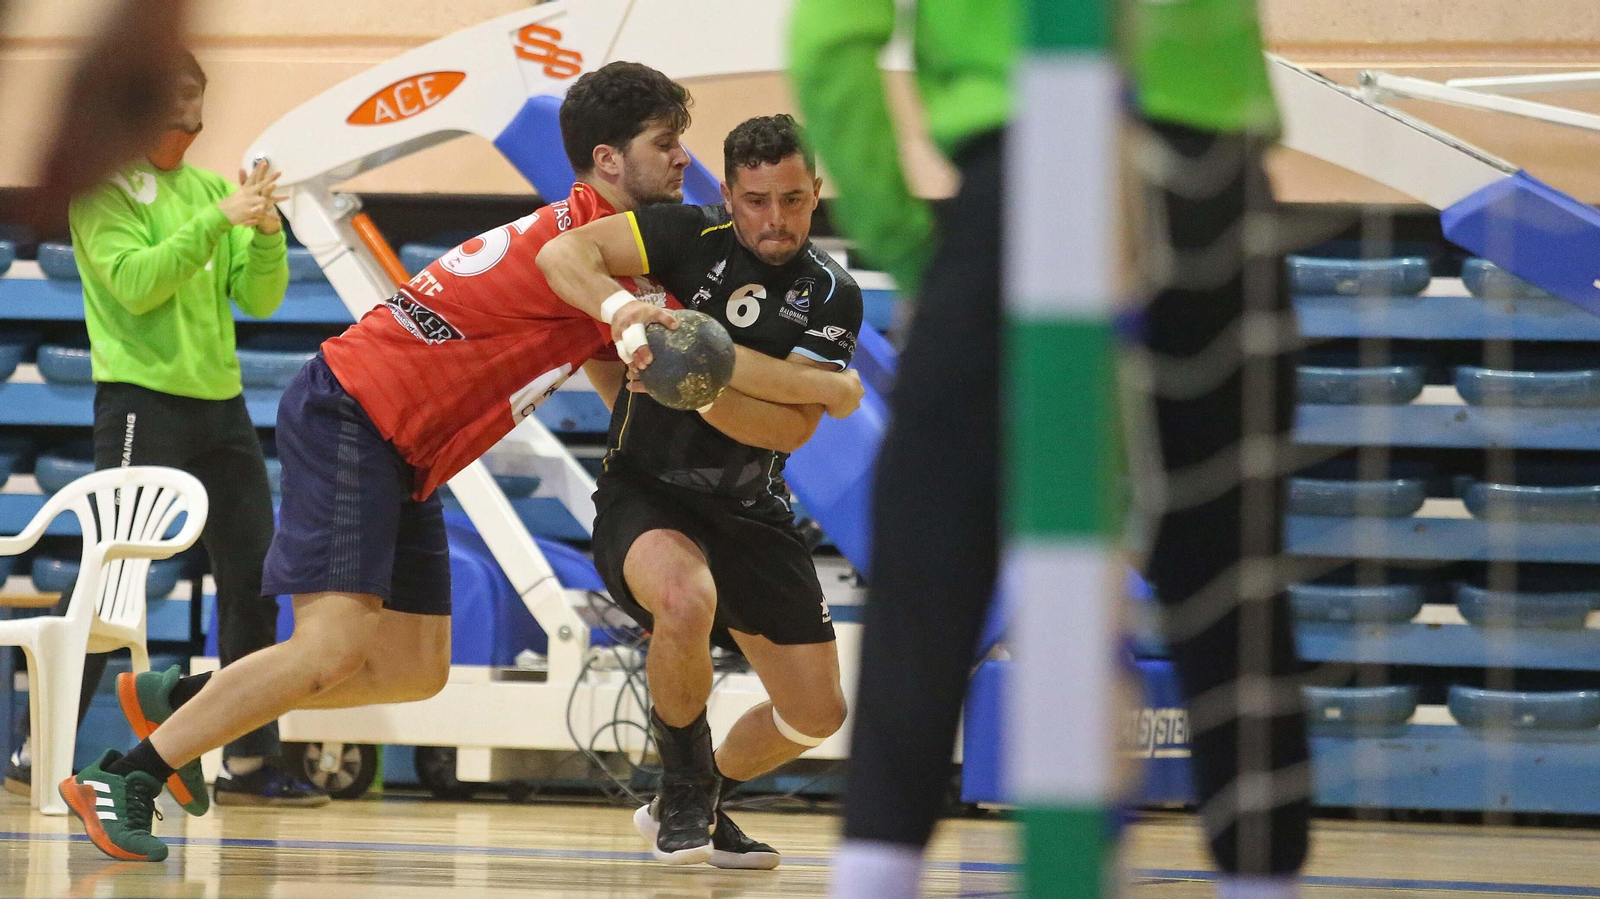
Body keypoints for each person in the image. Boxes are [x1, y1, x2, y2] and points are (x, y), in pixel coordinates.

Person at [59, 60, 860, 864]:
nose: (683, 159)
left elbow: (635, 370)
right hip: (357, 407)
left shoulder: (607, 245)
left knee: (416, 669)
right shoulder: (589, 254)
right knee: (331, 646)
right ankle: (128, 775)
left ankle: (194, 699)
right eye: (666, 143)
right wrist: (831, 388)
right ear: (609, 162)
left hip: (405, 441)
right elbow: (659, 338)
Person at [790, 0, 1311, 897]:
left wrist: (918, 251)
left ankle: (876, 872)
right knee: (1230, 564)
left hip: (1022, 176)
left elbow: (829, 43)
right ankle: (1265, 878)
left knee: (927, 559)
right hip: (1214, 192)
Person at [538, 114, 864, 869]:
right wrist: (620, 309)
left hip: (750, 505)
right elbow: (564, 252)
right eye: (755, 200)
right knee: (683, 599)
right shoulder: (685, 235)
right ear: (730, 193)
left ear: (816, 192)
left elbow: (788, 432)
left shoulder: (832, 294)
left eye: (791, 199)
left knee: (817, 714)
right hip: (646, 491)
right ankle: (684, 787)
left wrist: (699, 363)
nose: (773, 219)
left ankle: (697, 798)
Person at [4, 48, 326, 810]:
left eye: (200, 89)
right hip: (140, 404)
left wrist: (269, 230)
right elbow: (137, 286)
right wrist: (219, 221)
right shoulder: (103, 193)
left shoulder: (215, 187)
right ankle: (31, 747)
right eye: (179, 89)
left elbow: (263, 296)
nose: (195, 101)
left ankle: (251, 761)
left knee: (255, 581)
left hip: (220, 407)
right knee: (106, 578)